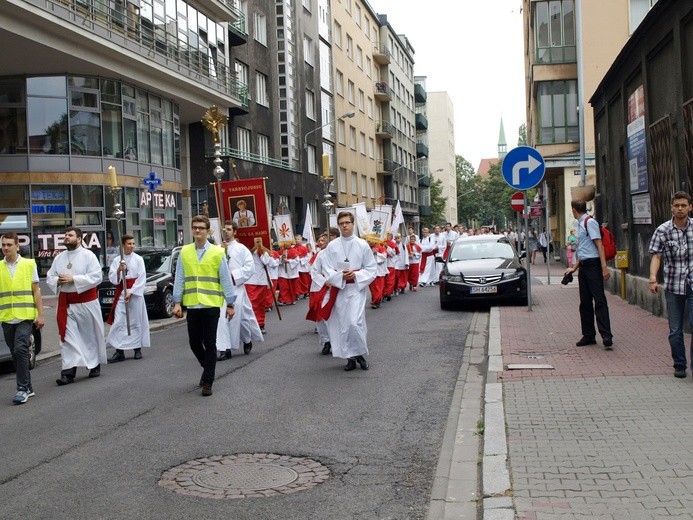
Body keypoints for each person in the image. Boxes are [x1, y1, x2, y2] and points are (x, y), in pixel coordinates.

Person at [172, 216, 236, 396]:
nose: (197, 231)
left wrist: (230, 303)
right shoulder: (185, 252)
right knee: (194, 343)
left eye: (201, 228)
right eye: (195, 228)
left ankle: (208, 381)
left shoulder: (217, 252)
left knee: (210, 342)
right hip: (193, 305)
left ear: (208, 231)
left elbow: (225, 279)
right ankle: (208, 366)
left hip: (211, 305)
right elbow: (180, 278)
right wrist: (177, 302)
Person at [47, 226, 107, 385]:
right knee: (67, 338)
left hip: (86, 302)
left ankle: (94, 364)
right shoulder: (59, 258)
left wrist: (74, 279)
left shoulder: (88, 256)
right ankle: (68, 372)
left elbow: (96, 277)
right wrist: (57, 281)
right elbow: (50, 276)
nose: (66, 237)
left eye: (70, 235)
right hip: (66, 304)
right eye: (65, 235)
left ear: (79, 239)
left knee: (88, 336)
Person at [318, 211, 377, 371]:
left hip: (356, 289)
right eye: (341, 223)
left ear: (353, 224)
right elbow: (327, 267)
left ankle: (360, 354)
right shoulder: (332, 246)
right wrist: (339, 276)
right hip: (340, 289)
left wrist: (356, 274)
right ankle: (351, 358)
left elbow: (371, 268)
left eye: (347, 222)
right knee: (343, 325)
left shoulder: (362, 245)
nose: (344, 225)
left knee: (354, 322)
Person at [648, 191, 693, 378]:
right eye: (677, 205)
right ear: (672, 207)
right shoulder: (663, 230)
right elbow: (656, 256)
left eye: (684, 205)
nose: (680, 209)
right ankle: (679, 364)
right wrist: (652, 278)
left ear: (690, 207)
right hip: (673, 285)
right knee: (675, 329)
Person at [0, 233, 44, 404]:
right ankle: (29, 386)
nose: (5, 248)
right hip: (6, 317)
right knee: (15, 353)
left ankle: (22, 388)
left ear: (17, 246)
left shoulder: (28, 264)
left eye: (9, 245)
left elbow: (37, 292)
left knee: (21, 349)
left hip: (25, 316)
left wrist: (40, 315)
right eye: (3, 244)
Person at [563, 200, 613, 349]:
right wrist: (574, 268)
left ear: (573, 210)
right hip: (584, 266)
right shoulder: (579, 224)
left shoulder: (589, 222)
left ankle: (606, 335)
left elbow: (599, 245)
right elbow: (583, 250)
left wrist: (604, 267)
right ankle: (589, 335)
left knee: (599, 300)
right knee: (585, 302)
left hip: (593, 265)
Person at [216, 220, 263, 360]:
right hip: (220, 289)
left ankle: (247, 339)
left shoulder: (241, 249)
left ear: (235, 232)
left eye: (229, 229)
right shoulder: (217, 249)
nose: (226, 232)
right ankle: (225, 348)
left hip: (236, 288)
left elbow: (250, 268)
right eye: (224, 229)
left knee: (240, 319)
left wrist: (233, 275)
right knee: (221, 318)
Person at [106, 234, 150, 362]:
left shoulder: (138, 259)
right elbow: (113, 279)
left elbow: (142, 277)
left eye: (133, 243)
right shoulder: (116, 260)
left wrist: (131, 291)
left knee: (135, 321)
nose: (132, 246)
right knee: (119, 321)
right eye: (129, 243)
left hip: (134, 294)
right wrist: (119, 270)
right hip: (121, 293)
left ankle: (137, 349)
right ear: (123, 245)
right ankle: (119, 351)